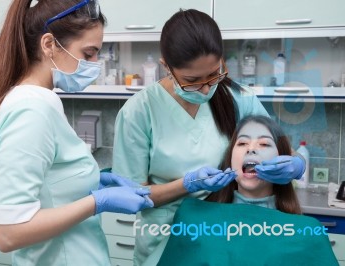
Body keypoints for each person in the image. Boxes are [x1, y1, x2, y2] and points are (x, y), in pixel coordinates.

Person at [112, 9, 305, 265]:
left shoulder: (240, 99)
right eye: (192, 81)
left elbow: (283, 150)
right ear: (166, 67)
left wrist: (296, 164)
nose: (205, 89)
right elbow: (131, 197)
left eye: (214, 75)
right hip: (165, 244)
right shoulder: (139, 112)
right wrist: (187, 184)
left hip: (226, 241)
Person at [0, 0, 153, 265]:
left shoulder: (42, 101)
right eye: (88, 54)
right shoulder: (31, 109)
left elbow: (51, 187)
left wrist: (93, 183)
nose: (95, 65)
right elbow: (9, 233)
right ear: (49, 45)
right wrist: (97, 202)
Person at [144, 115, 337, 266]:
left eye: (264, 144)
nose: (251, 150)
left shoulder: (307, 232)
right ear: (230, 159)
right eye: (242, 143)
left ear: (282, 159)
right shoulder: (192, 218)